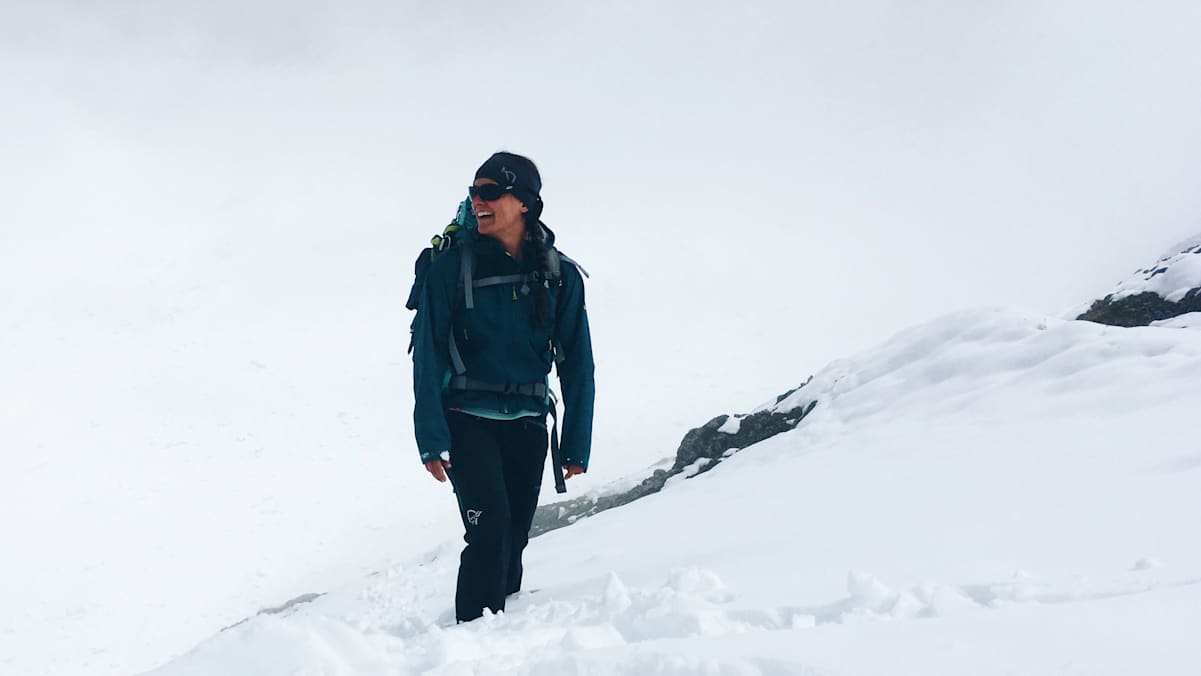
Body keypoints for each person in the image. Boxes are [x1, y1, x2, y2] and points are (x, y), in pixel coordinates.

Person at [411, 151, 595, 622]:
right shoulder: (449, 267)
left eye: (490, 192)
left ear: (525, 203)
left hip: (529, 423)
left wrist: (575, 442)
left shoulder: (560, 273)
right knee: (488, 534)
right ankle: (470, 639)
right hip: (466, 421)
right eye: (474, 192)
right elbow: (428, 353)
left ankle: (504, 633)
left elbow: (577, 362)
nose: (478, 201)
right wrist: (431, 437)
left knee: (512, 537)